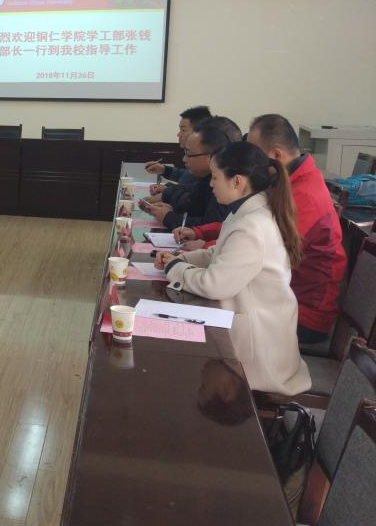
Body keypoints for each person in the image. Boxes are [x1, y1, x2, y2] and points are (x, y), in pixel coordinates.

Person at [176, 114, 347, 345]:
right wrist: (201, 233)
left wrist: (196, 254)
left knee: (196, 323)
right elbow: (243, 224)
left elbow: (251, 244)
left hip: (300, 313)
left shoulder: (305, 196)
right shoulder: (285, 182)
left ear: (276, 155)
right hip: (267, 298)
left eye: (255, 153)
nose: (249, 159)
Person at [160, 141, 311, 395]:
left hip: (260, 350)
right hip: (253, 327)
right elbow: (218, 254)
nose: (211, 184)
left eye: (215, 177)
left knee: (178, 366)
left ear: (237, 181)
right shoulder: (246, 213)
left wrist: (175, 268)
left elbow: (214, 285)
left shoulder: (252, 226)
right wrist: (183, 258)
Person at [146, 116, 241, 229]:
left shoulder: (225, 182)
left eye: (189, 154)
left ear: (212, 155)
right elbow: (193, 205)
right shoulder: (206, 177)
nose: (184, 159)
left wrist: (169, 217)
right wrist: (172, 209)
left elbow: (212, 226)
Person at [146, 105, 211, 196]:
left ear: (199, 133)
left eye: (183, 130)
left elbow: (194, 195)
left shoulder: (203, 157)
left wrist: (169, 191)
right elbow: (188, 178)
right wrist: (165, 170)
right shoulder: (195, 155)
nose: (178, 134)